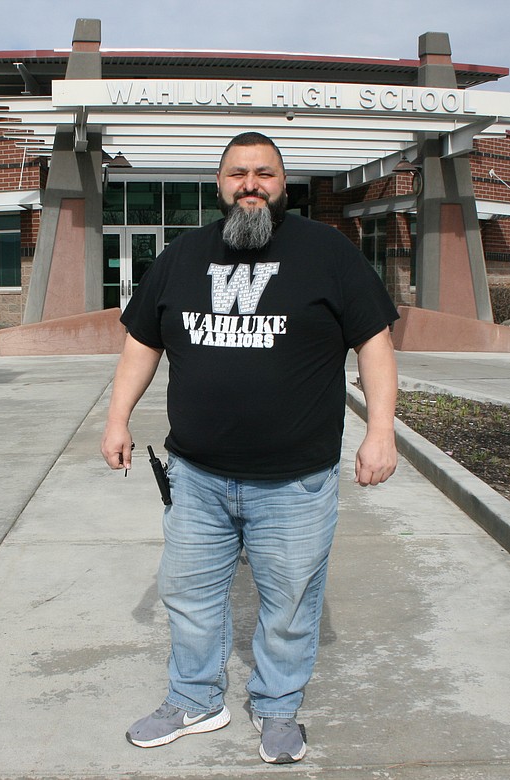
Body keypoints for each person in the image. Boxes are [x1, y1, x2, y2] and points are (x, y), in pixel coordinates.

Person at [100, 131, 399, 765]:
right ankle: (195, 700)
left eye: (264, 172)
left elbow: (374, 342)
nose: (251, 184)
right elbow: (141, 344)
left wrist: (380, 429)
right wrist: (117, 418)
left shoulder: (328, 253)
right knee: (189, 593)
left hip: (295, 482)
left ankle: (278, 706)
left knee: (290, 601)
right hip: (197, 476)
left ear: (283, 183)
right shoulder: (182, 255)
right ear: (219, 183)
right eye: (238, 173)